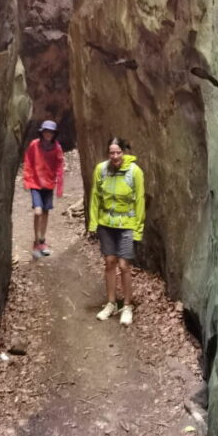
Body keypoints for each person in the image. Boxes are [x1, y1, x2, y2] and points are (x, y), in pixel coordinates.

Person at [88, 137, 145, 326]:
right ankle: (111, 303)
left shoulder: (134, 172)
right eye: (111, 153)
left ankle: (127, 305)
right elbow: (95, 197)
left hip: (126, 224)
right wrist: (93, 223)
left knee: (123, 265)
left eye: (118, 152)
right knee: (109, 262)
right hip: (106, 224)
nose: (114, 156)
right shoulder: (101, 170)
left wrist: (138, 229)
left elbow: (140, 201)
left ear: (123, 152)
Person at [22, 120, 64, 260]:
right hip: (36, 183)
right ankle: (36, 241)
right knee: (38, 211)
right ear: (42, 132)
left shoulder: (57, 147)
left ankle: (42, 240)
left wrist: (60, 187)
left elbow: (59, 166)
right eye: (46, 131)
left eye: (50, 132)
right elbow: (28, 162)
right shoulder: (34, 145)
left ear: (54, 134)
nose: (48, 134)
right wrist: (27, 180)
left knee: (45, 212)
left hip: (49, 183)